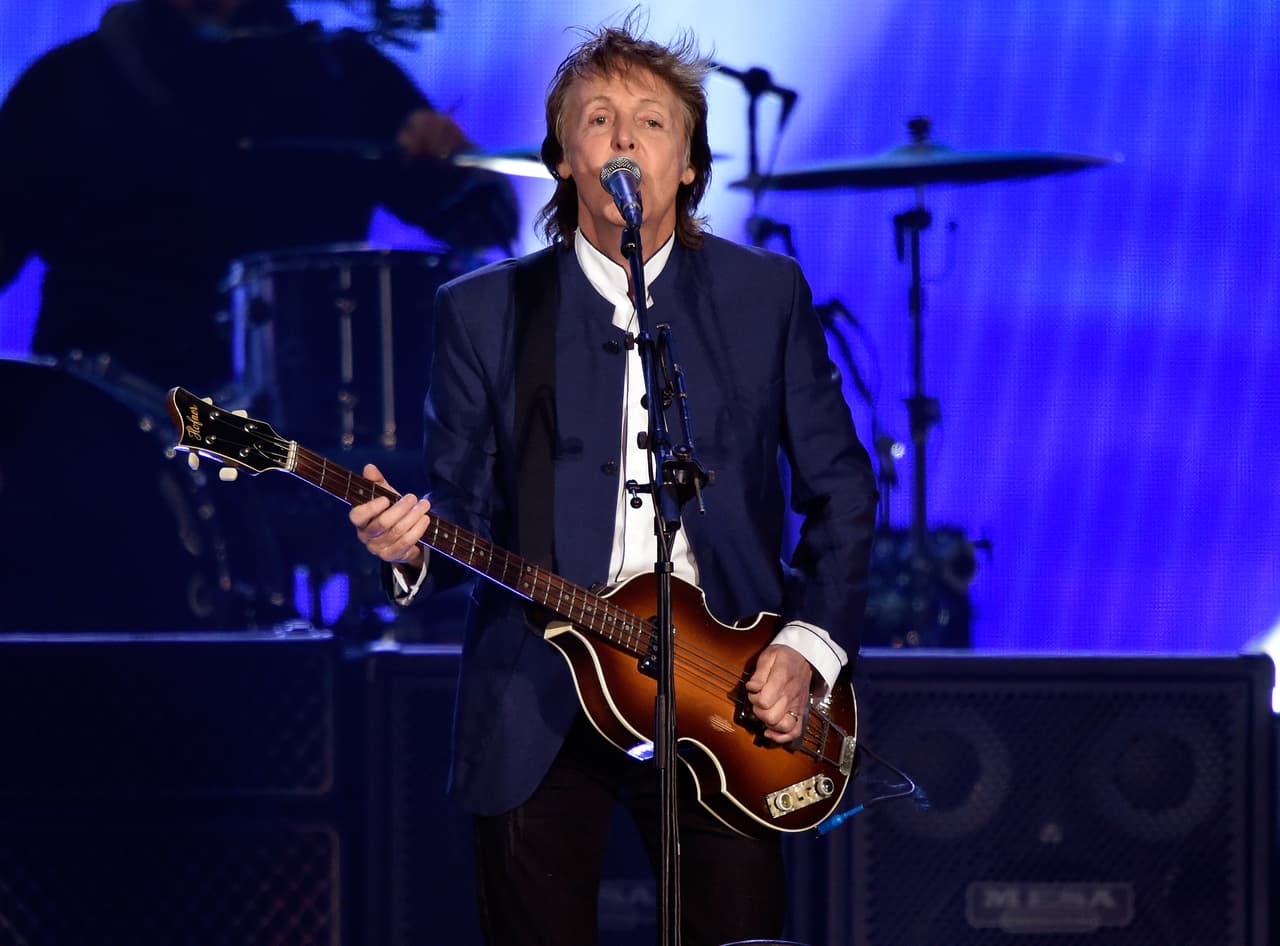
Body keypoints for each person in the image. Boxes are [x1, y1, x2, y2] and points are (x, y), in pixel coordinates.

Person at [349, 15, 878, 946]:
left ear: (688, 165)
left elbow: (841, 491)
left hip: (729, 690)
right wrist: (407, 548)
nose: (624, 137)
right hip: (539, 694)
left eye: (651, 121)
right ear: (563, 158)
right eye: (597, 119)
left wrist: (806, 649)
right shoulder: (483, 312)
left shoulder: (765, 296)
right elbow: (461, 505)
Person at [0, 0, 518, 392]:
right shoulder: (68, 83)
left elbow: (482, 219)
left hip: (298, 440)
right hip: (102, 425)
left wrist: (462, 162)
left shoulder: (342, 73)